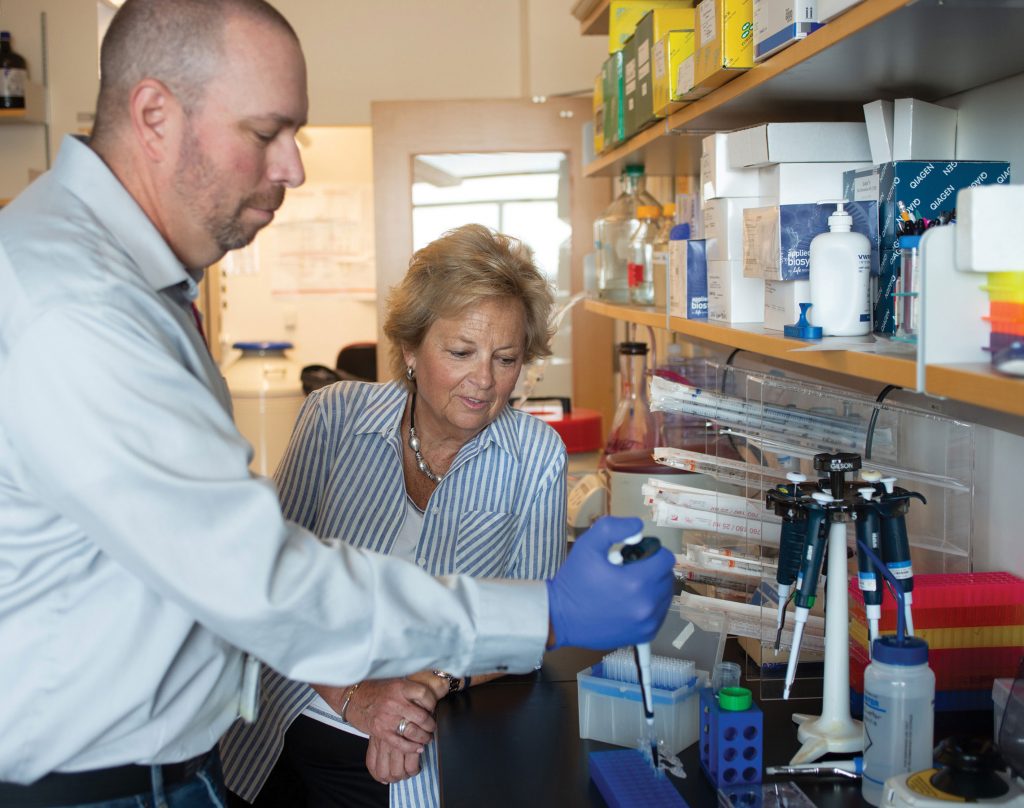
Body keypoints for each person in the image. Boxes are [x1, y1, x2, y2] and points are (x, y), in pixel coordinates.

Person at [0, 1, 675, 805]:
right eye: (265, 133)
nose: (294, 168)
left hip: (171, 765)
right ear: (154, 114)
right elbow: (263, 579)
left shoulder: (116, 279)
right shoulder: (79, 304)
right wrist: (546, 615)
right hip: (105, 785)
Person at [222, 223, 569, 808]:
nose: (483, 381)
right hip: (285, 722)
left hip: (426, 747)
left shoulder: (536, 456)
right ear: (410, 349)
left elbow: (529, 629)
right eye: (460, 352)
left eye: (505, 359)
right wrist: (356, 696)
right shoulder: (332, 418)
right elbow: (267, 581)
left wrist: (428, 687)